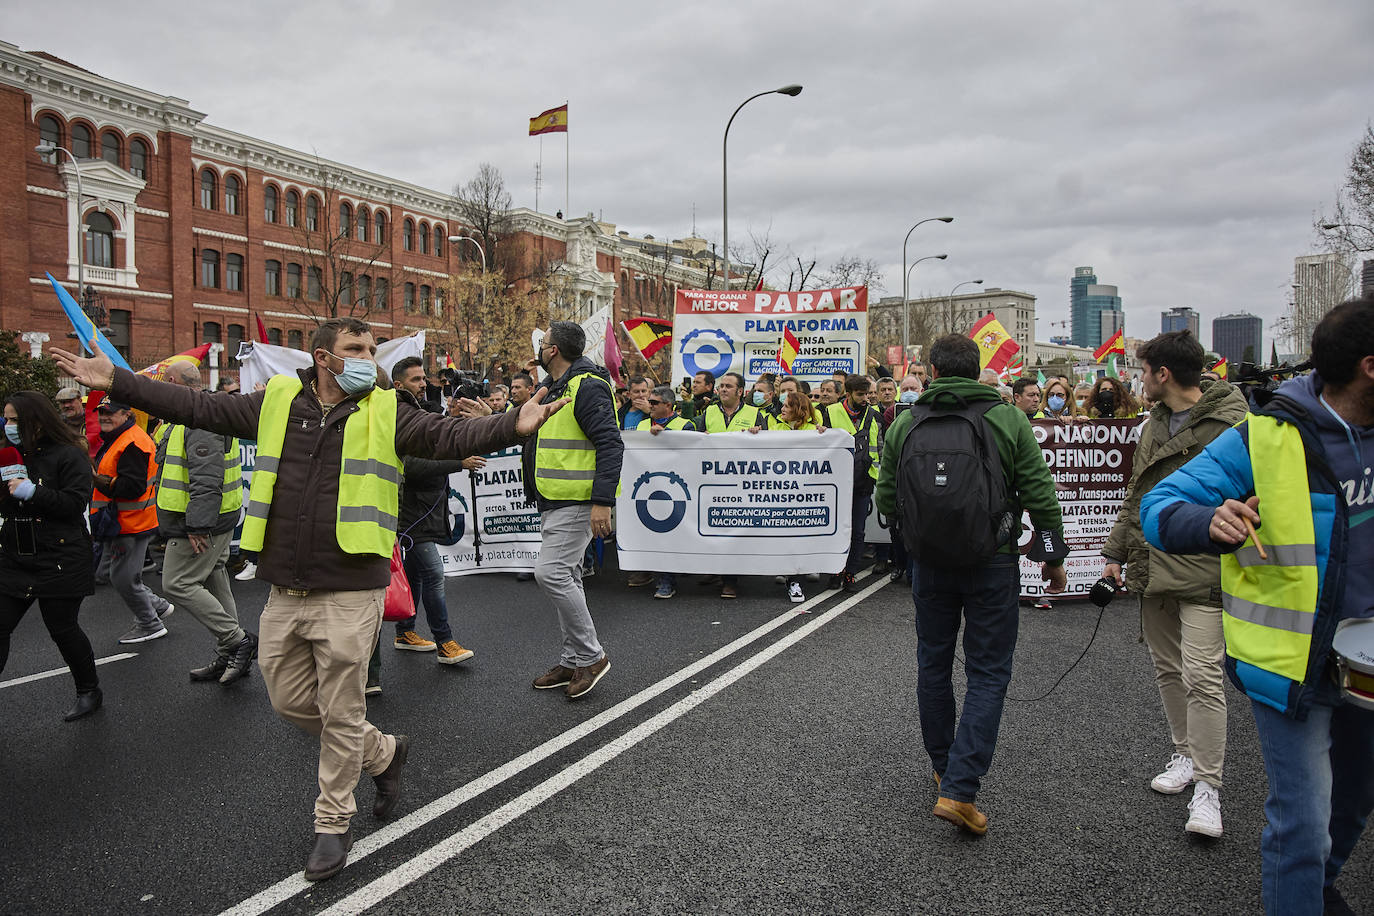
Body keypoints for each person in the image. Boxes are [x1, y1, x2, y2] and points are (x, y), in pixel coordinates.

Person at [52, 317, 567, 882]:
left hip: (352, 586)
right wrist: (118, 381)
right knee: (290, 702)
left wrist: (509, 424)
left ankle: (332, 823)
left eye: (372, 349)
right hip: (284, 586)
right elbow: (197, 407)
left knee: (342, 711)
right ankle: (383, 754)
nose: (369, 358)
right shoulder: (276, 400)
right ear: (323, 357)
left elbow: (445, 437)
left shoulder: (385, 408)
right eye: (356, 349)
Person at [1141, 295, 1374, 916]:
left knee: (1351, 804)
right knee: (1301, 821)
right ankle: (1294, 877)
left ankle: (1317, 887)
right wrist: (1205, 519)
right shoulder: (1270, 436)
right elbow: (1159, 507)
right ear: (1371, 367)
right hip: (1290, 662)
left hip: (1369, 666)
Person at [876, 334, 1067, 835]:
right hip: (993, 560)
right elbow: (1039, 491)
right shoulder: (1007, 418)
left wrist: (917, 533)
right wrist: (1052, 555)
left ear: (933, 371)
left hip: (930, 565)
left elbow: (886, 496)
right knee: (987, 672)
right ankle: (961, 788)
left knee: (933, 664)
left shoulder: (906, 421)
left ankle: (943, 767)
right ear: (978, 369)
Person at [1100, 330, 1249, 838]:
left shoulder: (1234, 424)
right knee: (1168, 669)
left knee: (1203, 674)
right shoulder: (1155, 422)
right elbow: (1137, 493)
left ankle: (1209, 787)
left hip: (1205, 564)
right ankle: (1184, 753)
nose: (1139, 380)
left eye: (1143, 371)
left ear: (1164, 374)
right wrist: (1116, 552)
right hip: (1151, 562)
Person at [525, 320, 622, 700]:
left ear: (553, 351)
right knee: (568, 577)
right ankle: (572, 659)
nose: (540, 345)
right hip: (556, 499)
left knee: (550, 574)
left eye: (544, 341)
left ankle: (591, 656)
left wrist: (602, 502)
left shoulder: (588, 386)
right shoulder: (553, 387)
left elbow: (610, 445)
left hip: (579, 501)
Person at [155, 361, 258, 685]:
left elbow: (206, 478)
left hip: (200, 522)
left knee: (176, 583)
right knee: (214, 578)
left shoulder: (199, 419)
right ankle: (229, 653)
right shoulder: (193, 414)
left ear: (172, 382)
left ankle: (237, 641)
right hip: (208, 518)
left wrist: (197, 526)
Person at [0, 392, 101, 721]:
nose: (8, 425)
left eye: (14, 419)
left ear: (36, 420)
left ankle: (89, 690)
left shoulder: (70, 454)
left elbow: (74, 505)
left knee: (62, 628)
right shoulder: (12, 455)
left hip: (61, 555)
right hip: (18, 556)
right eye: (6, 419)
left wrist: (33, 492)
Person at [391, 356, 482, 662]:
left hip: (425, 511)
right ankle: (445, 642)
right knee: (433, 573)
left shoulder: (419, 411)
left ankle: (405, 632)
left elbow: (440, 439)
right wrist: (459, 463)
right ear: (398, 384)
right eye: (417, 380)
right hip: (410, 514)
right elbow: (411, 466)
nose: (424, 384)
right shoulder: (397, 415)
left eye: (424, 378)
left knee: (416, 574)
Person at [91, 398, 173, 642]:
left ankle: (150, 623)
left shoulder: (133, 442)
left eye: (110, 413)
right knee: (111, 574)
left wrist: (100, 481)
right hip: (122, 521)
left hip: (130, 523)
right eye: (101, 412)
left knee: (123, 578)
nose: (104, 417)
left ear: (127, 414)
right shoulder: (121, 437)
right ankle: (157, 606)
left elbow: (133, 487)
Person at [694, 372, 768, 600]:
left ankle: (730, 580)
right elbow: (690, 438)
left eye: (728, 386)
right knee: (712, 526)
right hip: (713, 481)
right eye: (721, 386)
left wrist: (759, 434)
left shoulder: (756, 414)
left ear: (740, 392)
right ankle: (716, 568)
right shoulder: (708, 413)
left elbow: (770, 446)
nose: (723, 389)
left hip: (741, 483)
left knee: (733, 528)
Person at [821, 374, 881, 592]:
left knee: (858, 531)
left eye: (867, 394)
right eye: (860, 394)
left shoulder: (874, 415)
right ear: (848, 394)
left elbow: (878, 447)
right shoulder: (829, 412)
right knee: (837, 530)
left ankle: (850, 573)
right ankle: (835, 571)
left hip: (864, 482)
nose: (865, 398)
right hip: (836, 482)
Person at [638, 385, 694, 599]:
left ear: (668, 405)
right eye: (649, 402)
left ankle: (667, 579)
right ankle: (652, 573)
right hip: (647, 486)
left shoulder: (685, 424)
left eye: (654, 402)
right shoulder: (642, 425)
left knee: (670, 532)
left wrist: (667, 435)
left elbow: (691, 450)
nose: (649, 405)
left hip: (676, 488)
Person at [772, 387, 826, 603]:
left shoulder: (816, 431)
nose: (782, 408)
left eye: (786, 405)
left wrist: (827, 436)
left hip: (805, 496)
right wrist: (754, 434)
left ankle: (795, 580)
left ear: (798, 409)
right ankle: (788, 572)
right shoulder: (774, 428)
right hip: (779, 494)